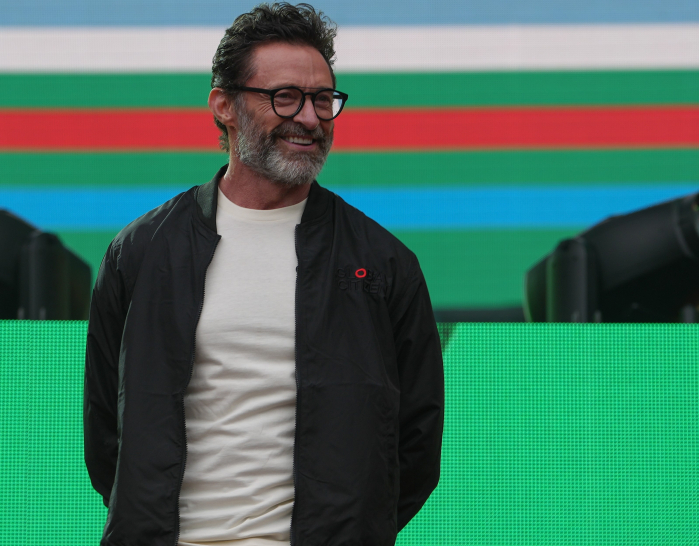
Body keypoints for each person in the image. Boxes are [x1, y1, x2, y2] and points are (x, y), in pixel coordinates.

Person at [83, 3, 444, 545]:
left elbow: (416, 446)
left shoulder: (384, 263)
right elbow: (104, 433)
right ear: (224, 105)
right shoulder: (140, 252)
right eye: (286, 97)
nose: (310, 118)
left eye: (323, 99)